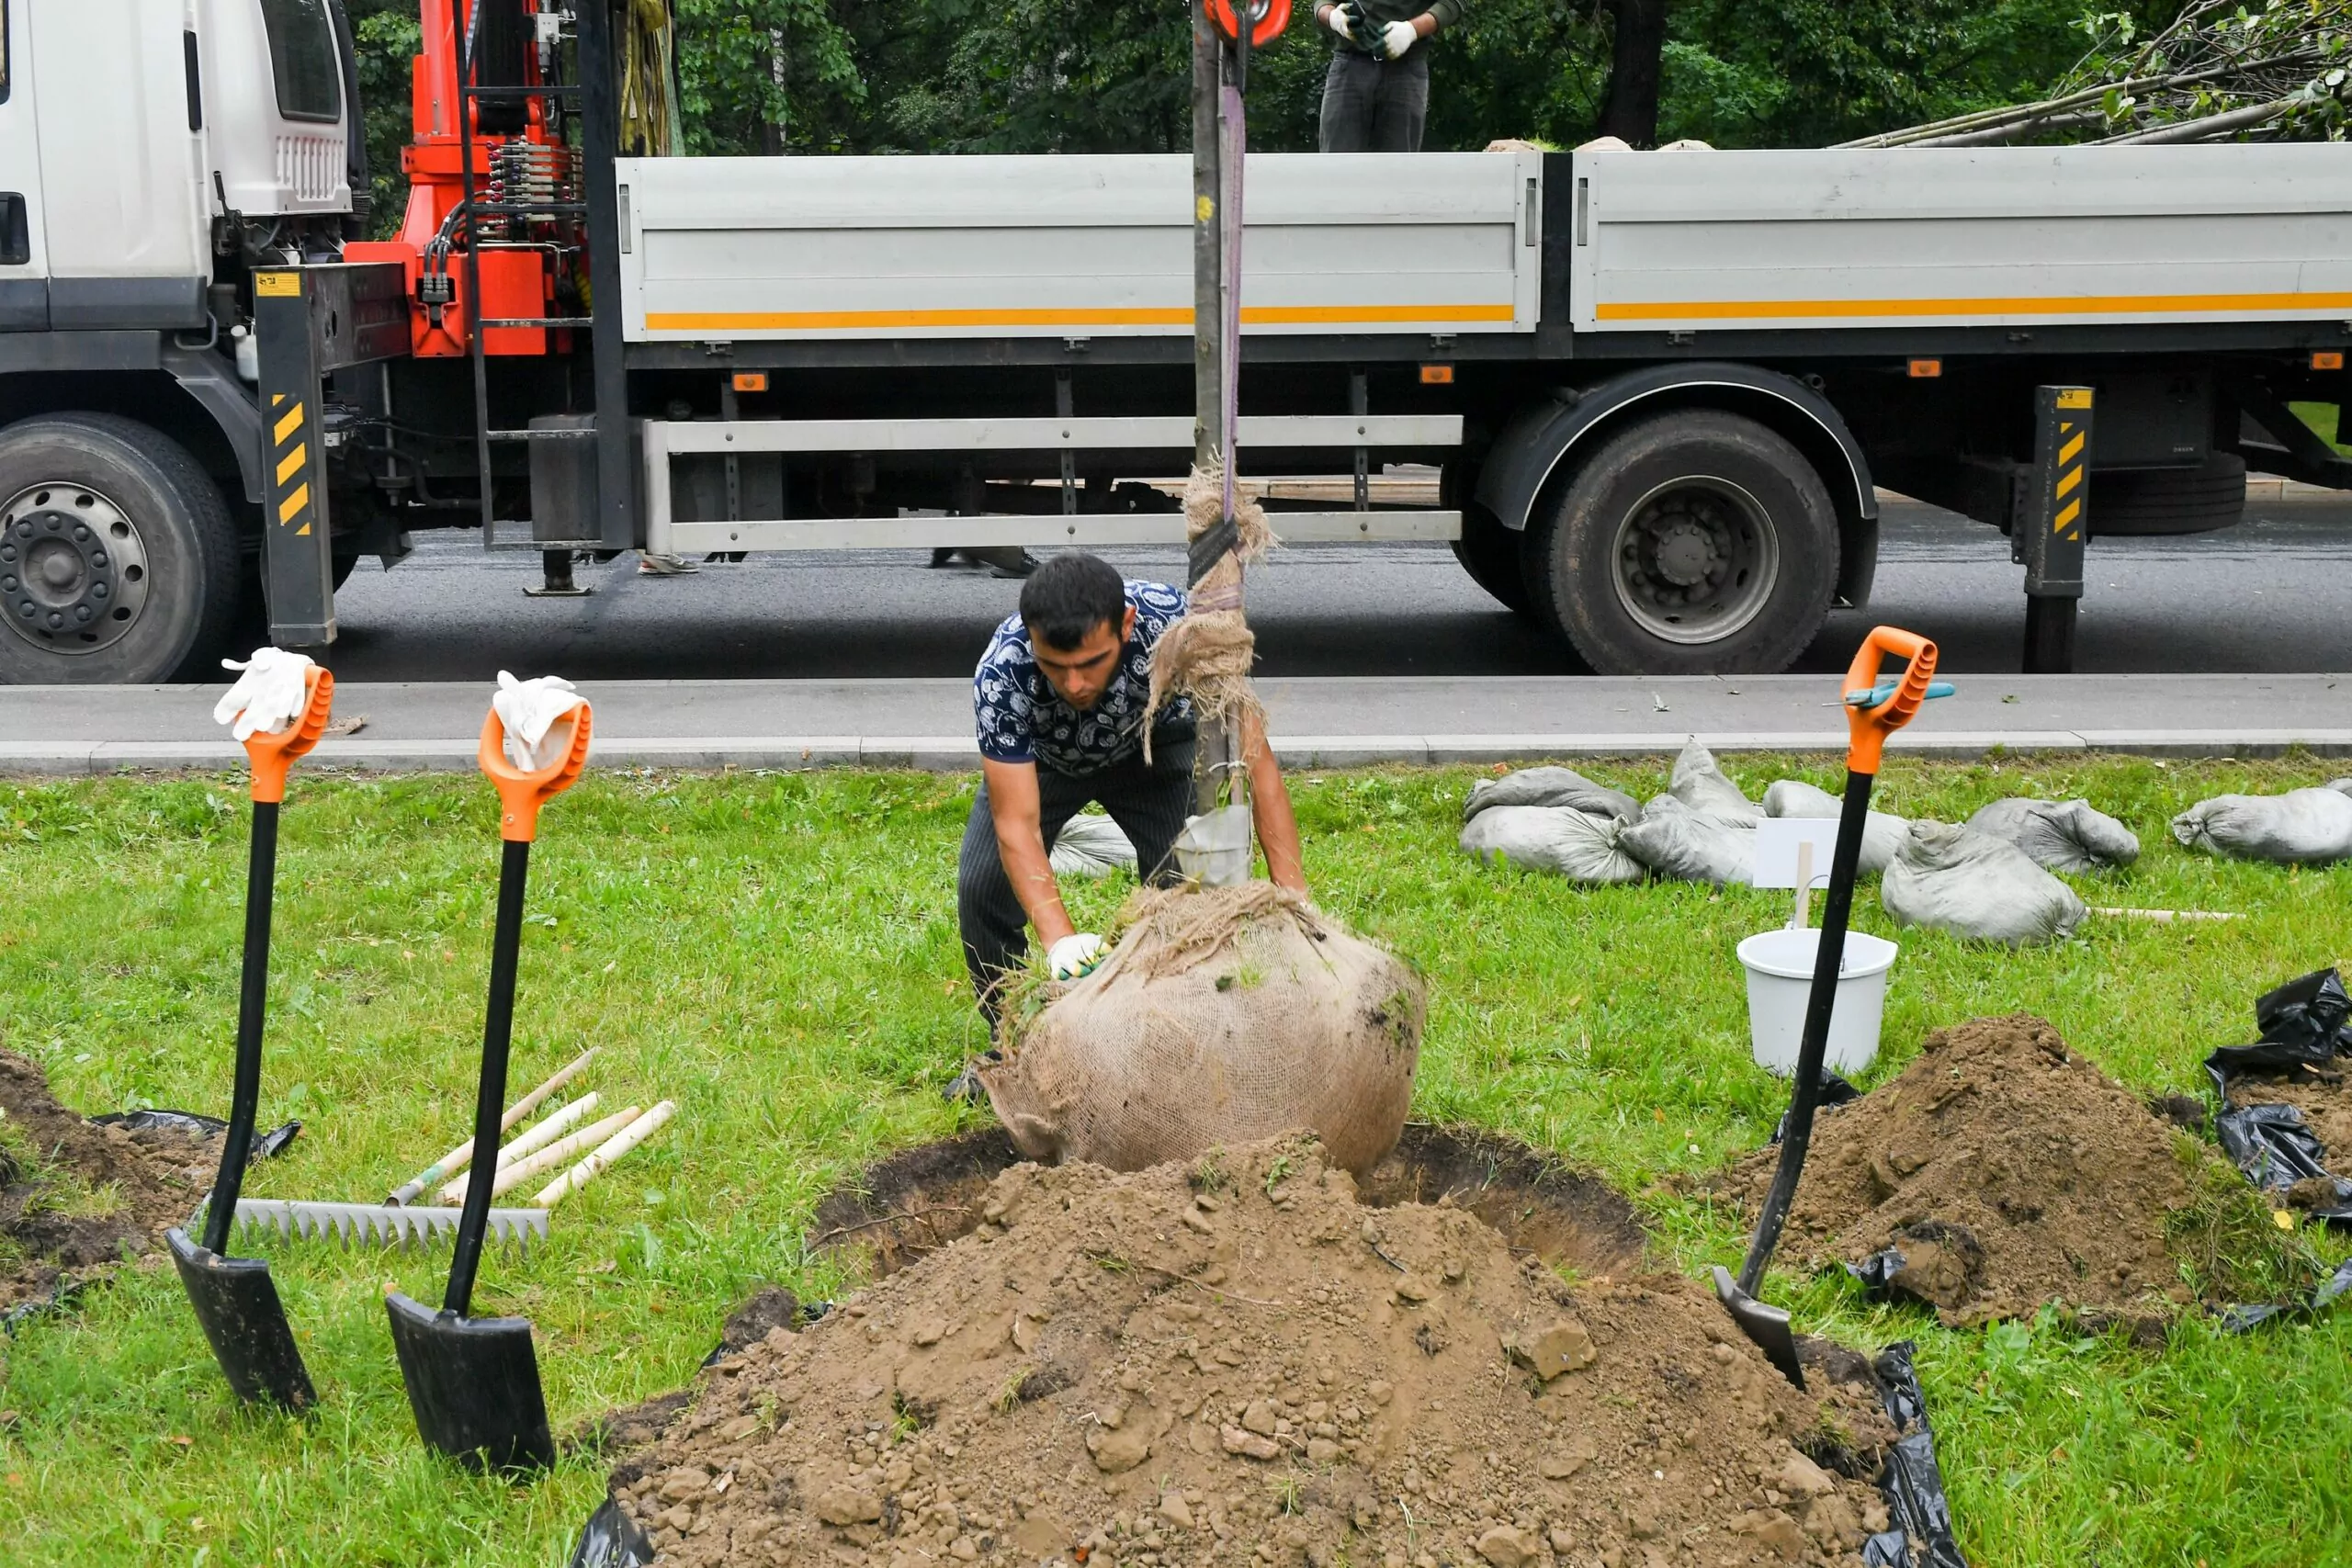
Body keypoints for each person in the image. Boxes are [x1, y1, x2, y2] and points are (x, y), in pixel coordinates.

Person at [956, 550, 1306, 1031]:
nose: (1074, 684)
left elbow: (1256, 763)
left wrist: (1294, 898)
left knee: (1190, 893)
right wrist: (1061, 940)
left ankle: (1177, 1030)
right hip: (1050, 762)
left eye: (1091, 663)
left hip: (1155, 747)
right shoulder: (1004, 670)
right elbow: (1016, 825)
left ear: (1125, 625)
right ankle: (1013, 1036)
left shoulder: (1180, 629)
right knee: (982, 888)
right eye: (1054, 666)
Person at [1313, 0, 1462, 153]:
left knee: (1398, 164)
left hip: (1406, 69)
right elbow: (1322, 3)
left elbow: (1453, 3)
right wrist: (1333, 17)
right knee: (1337, 163)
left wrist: (1411, 30)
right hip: (1349, 65)